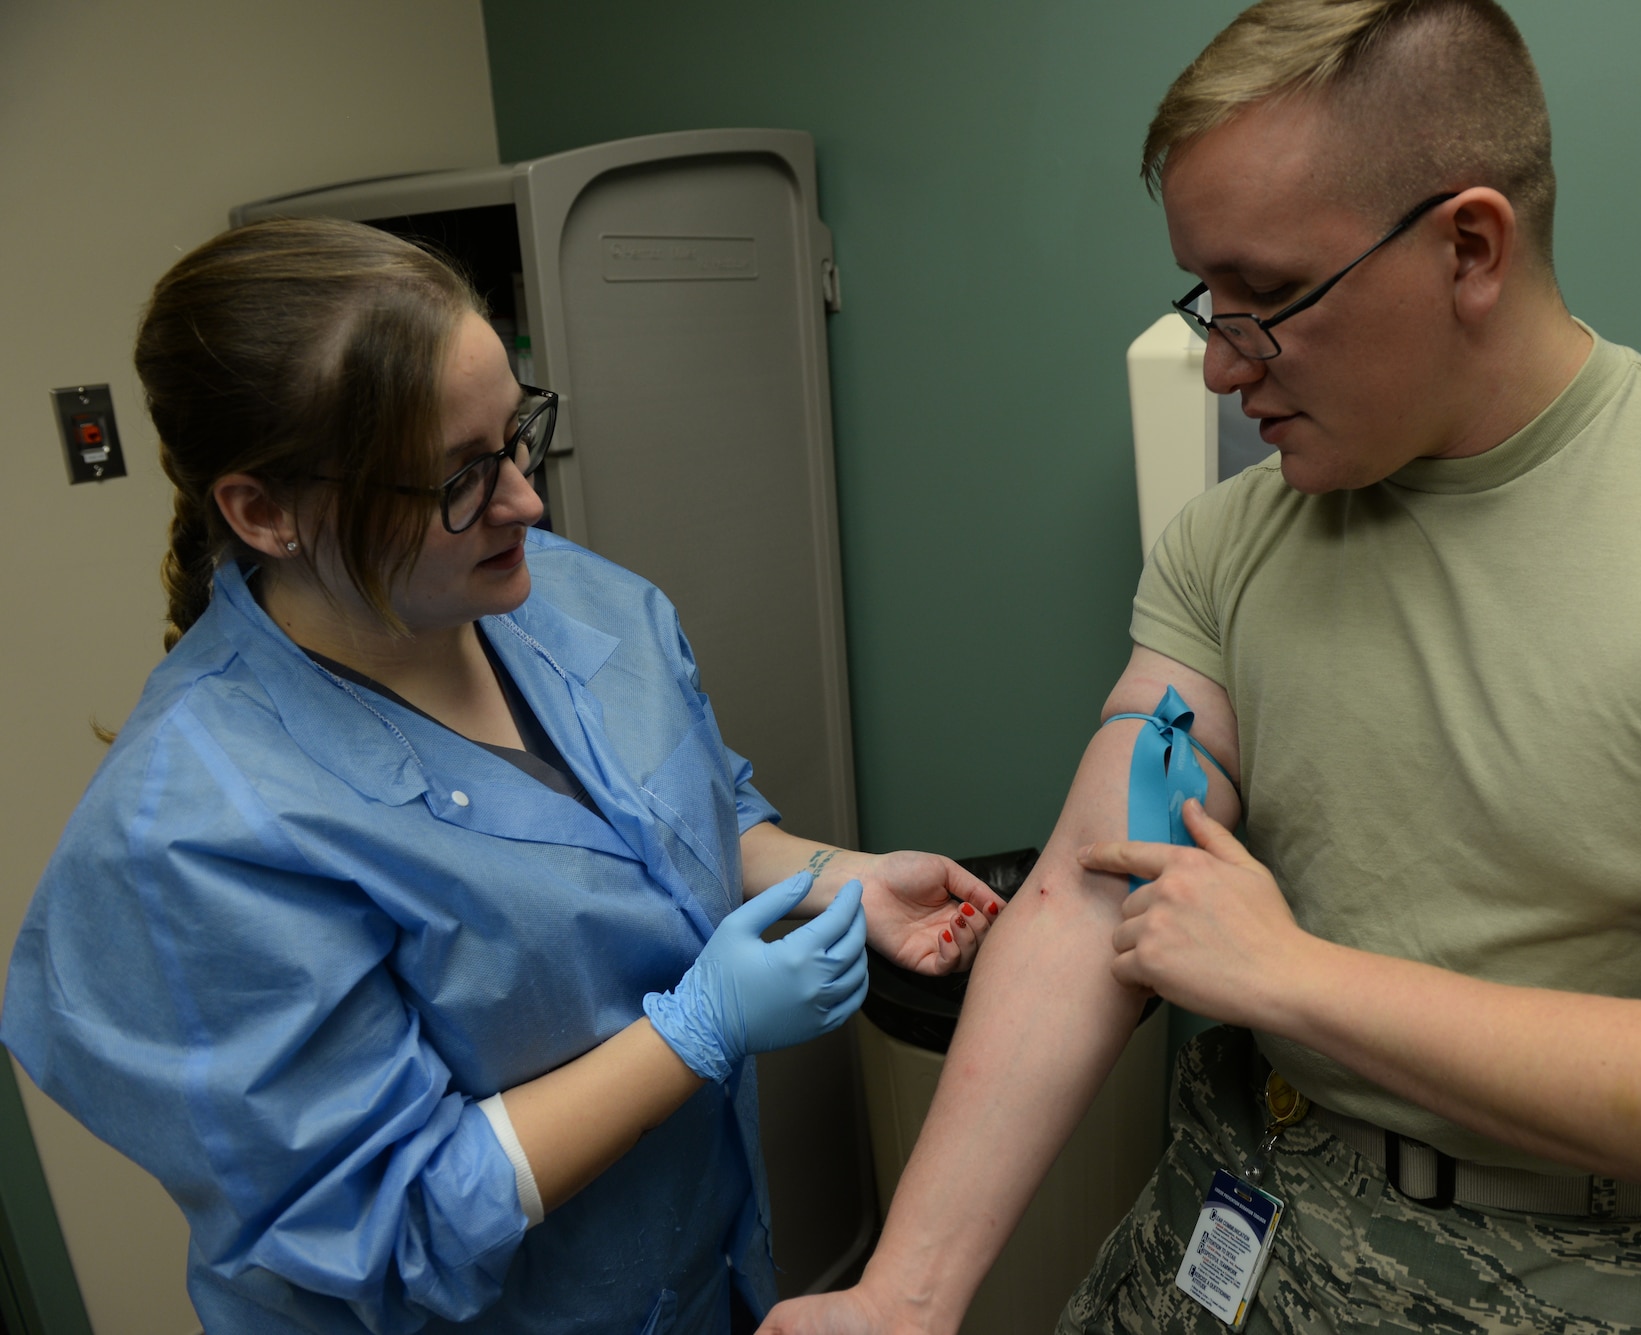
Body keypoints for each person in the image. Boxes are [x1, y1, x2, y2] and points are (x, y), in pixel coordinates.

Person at [760, 2, 1641, 1333]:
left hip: (1586, 1268)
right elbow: (1085, 891)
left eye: (1269, 298)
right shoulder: (1231, 543)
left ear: (1470, 245)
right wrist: (903, 1292)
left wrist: (1298, 977)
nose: (1221, 363)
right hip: (1236, 1204)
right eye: (1206, 300)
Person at [0, 217, 1004, 1335]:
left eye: (515, 435)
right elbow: (390, 1224)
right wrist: (695, 1033)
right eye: (459, 479)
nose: (526, 500)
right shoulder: (187, 838)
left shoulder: (560, 595)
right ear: (263, 512)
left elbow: (674, 819)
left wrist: (838, 878)